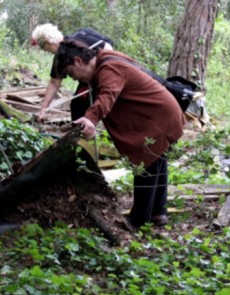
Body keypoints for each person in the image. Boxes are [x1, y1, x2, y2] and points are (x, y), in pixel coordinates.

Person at [54, 40, 186, 229]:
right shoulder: (106, 60)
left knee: (146, 163)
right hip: (160, 112)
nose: (74, 79)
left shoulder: (109, 68)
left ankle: (138, 222)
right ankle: (158, 213)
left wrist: (91, 118)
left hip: (158, 115)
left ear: (78, 61)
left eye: (70, 72)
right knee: (157, 159)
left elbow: (108, 94)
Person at [30, 23, 113, 121]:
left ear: (49, 43)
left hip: (104, 74)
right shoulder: (59, 57)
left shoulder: (79, 40)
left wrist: (98, 72)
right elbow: (54, 82)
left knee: (96, 104)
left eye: (42, 46)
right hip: (86, 82)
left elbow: (108, 48)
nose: (44, 50)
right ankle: (79, 131)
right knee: (77, 105)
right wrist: (44, 106)